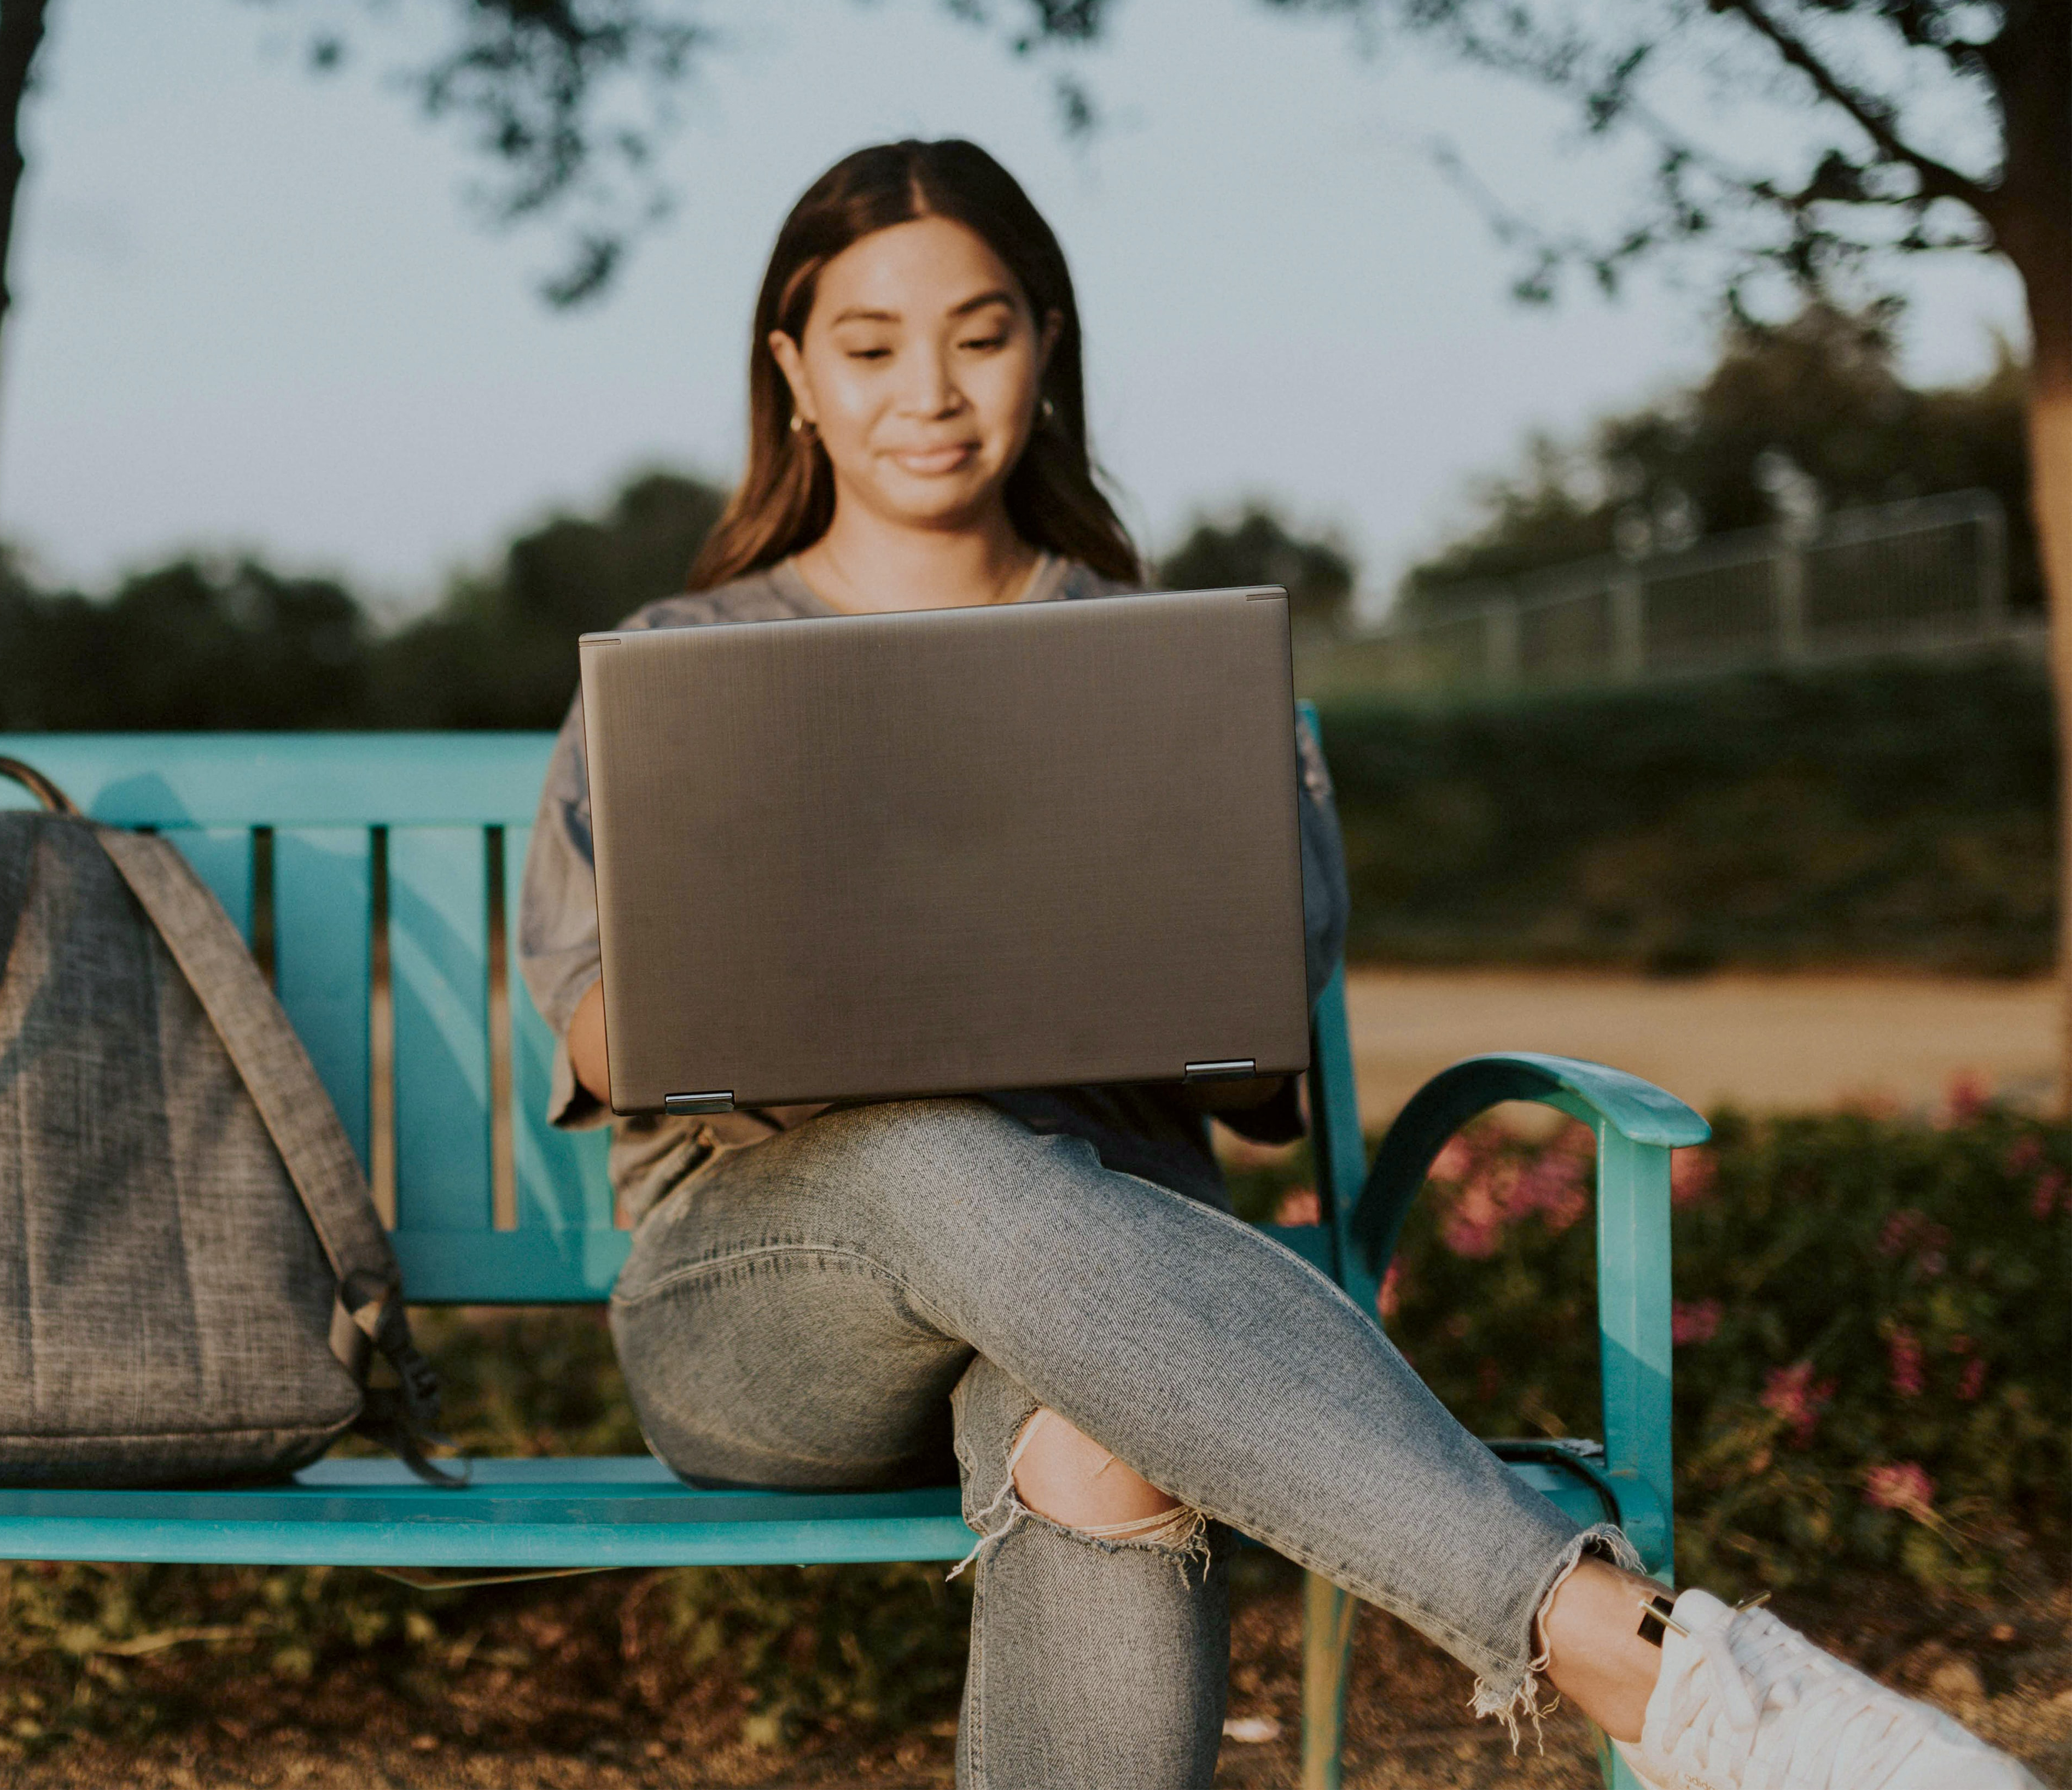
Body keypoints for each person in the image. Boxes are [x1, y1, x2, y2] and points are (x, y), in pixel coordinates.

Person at [516, 139, 2036, 1790]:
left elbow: (1257, 1084)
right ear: (795, 374)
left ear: (1047, 346)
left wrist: (1136, 954)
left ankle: (1667, 1679)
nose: (929, 390)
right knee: (934, 1155)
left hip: (1111, 1296)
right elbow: (598, 1033)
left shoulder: (1171, 675)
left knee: (1102, 1437)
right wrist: (814, 985)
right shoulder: (681, 671)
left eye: (981, 331)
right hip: (762, 1310)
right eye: (872, 345)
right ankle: (1642, 1660)